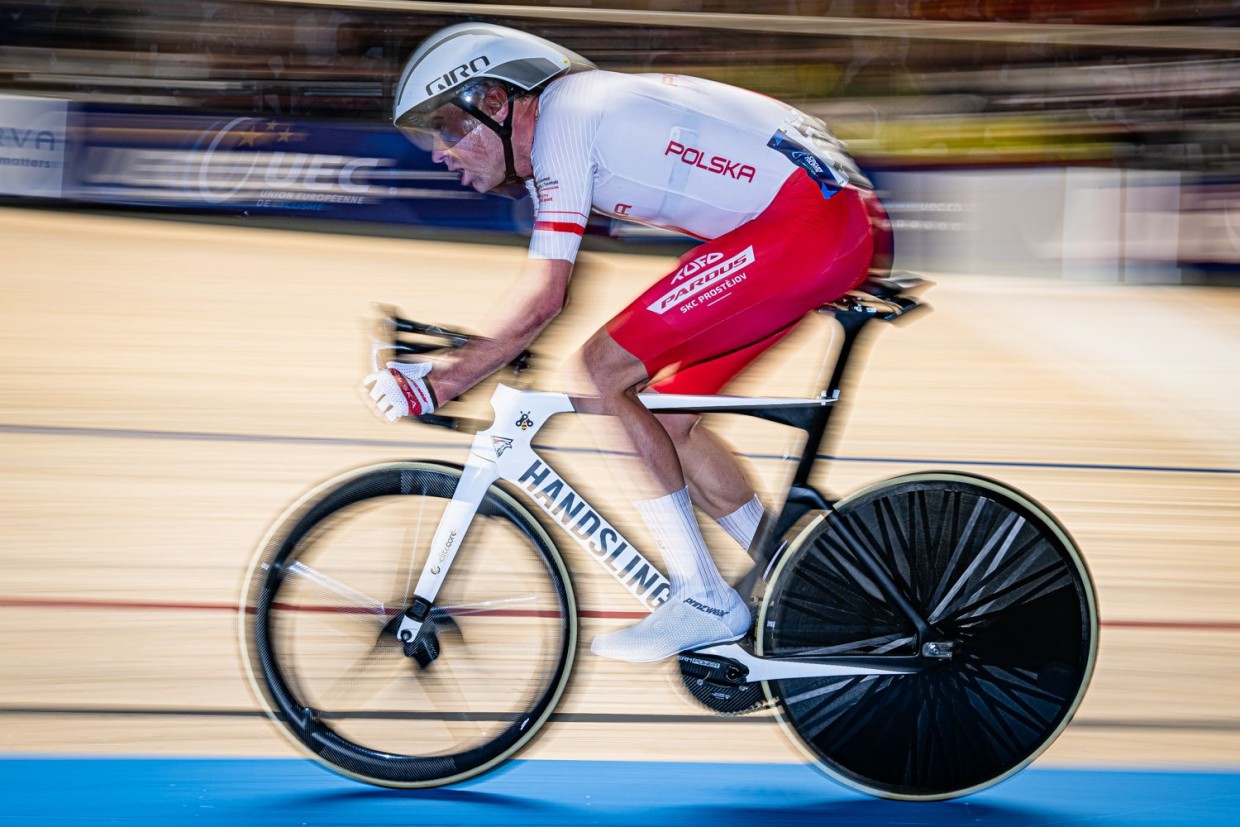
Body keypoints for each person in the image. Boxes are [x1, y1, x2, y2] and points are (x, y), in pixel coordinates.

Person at [364, 23, 893, 663]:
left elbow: (543, 300)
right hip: (825, 223)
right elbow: (548, 289)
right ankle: (814, 586)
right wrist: (478, 355)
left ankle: (702, 597)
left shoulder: (566, 118)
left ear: (498, 103)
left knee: (600, 371)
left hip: (811, 224)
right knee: (670, 420)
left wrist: (445, 379)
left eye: (448, 130)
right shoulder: (579, 114)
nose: (441, 154)